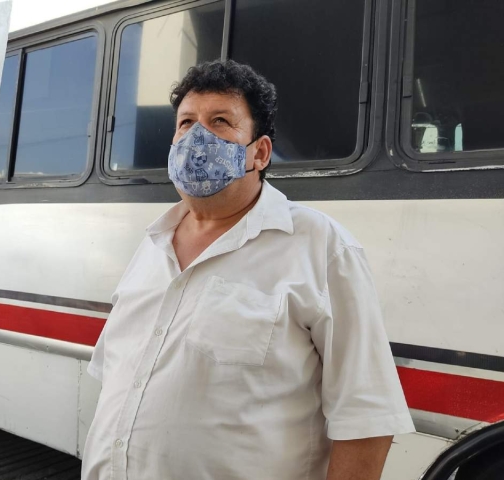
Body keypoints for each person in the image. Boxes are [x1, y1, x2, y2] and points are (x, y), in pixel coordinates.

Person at [81, 60, 414, 480]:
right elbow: (116, 382)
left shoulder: (320, 245)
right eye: (186, 123)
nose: (196, 137)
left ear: (260, 152)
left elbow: (367, 418)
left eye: (220, 121)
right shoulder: (152, 244)